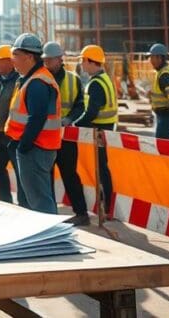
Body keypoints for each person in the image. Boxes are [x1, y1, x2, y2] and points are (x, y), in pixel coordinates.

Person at [5, 33, 62, 214]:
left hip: (35, 148)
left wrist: (23, 146)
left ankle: (51, 232)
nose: (12, 59)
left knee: (40, 202)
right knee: (38, 198)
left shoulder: (37, 82)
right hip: (38, 147)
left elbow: (37, 118)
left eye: (16, 55)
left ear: (29, 57)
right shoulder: (34, 79)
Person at [41, 41, 89, 226]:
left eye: (50, 60)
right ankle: (50, 214)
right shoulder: (40, 79)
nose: (46, 63)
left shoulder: (72, 79)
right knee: (46, 176)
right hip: (45, 136)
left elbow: (80, 106)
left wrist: (69, 119)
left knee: (69, 175)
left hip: (66, 137)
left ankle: (81, 213)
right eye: (45, 60)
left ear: (59, 60)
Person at [79, 44, 117, 218]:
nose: (81, 64)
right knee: (102, 167)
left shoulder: (95, 84)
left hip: (100, 129)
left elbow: (91, 113)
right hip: (105, 128)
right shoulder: (105, 78)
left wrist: (75, 125)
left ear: (90, 61)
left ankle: (107, 206)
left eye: (83, 60)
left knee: (101, 168)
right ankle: (106, 205)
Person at [0, 44, 19, 204]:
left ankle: (24, 201)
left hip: (12, 133)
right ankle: (5, 196)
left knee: (18, 168)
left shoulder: (19, 81)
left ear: (10, 62)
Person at [146, 43, 169, 140]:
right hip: (164, 116)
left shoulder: (165, 75)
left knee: (163, 144)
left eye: (152, 57)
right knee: (166, 144)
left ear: (160, 58)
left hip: (167, 117)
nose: (150, 60)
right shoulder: (161, 72)